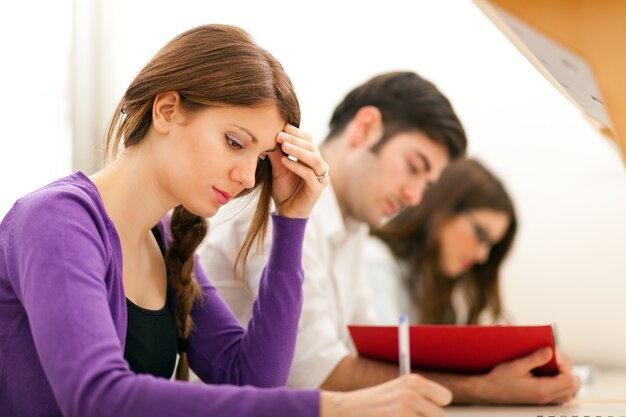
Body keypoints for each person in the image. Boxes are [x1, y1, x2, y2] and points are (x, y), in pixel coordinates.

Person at [0, 25, 453, 417]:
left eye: (257, 159)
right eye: (235, 142)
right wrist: (332, 406)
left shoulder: (167, 239)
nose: (243, 176)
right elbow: (97, 398)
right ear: (167, 110)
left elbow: (251, 378)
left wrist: (291, 222)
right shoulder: (57, 220)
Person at [201, 71, 581, 404]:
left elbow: (372, 353)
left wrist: (497, 360)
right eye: (414, 167)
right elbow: (312, 373)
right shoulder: (281, 207)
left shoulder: (352, 229)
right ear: (365, 128)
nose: (415, 197)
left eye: (427, 185)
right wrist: (482, 387)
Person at [366, 157, 516, 326]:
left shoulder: (439, 290)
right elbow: (384, 353)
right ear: (443, 208)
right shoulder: (375, 262)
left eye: (491, 245)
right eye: (481, 234)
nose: (483, 256)